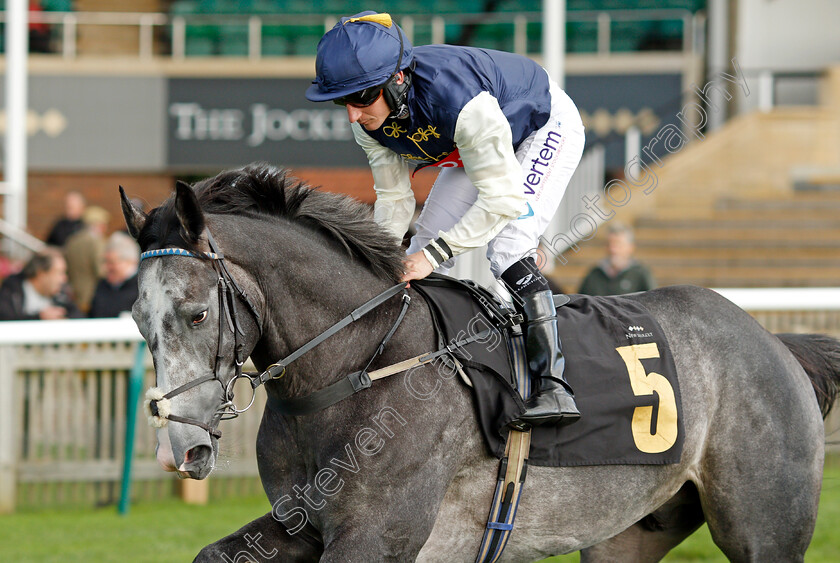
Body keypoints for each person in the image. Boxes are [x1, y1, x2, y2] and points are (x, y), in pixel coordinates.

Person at [305, 12, 586, 428]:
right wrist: (378, 261)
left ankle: (553, 384)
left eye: (362, 97)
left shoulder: (461, 102)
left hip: (541, 126)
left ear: (397, 79)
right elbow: (395, 200)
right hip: (474, 143)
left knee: (507, 248)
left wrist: (432, 257)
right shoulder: (368, 121)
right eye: (341, 100)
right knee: (414, 258)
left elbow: (502, 200)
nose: (352, 115)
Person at [0, 248, 82, 321]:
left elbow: (79, 317)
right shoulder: (11, 290)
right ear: (41, 273)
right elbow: (6, 320)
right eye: (60, 273)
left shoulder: (61, 295)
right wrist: (39, 318)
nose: (64, 278)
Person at [578, 223, 656, 296]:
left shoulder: (641, 273)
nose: (612, 249)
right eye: (609, 244)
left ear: (630, 247)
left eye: (618, 244)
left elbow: (652, 302)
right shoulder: (594, 274)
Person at [64, 206, 110, 313]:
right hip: (92, 294)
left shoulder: (72, 240)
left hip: (74, 293)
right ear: (98, 225)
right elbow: (100, 270)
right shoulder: (96, 242)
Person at [89, 233, 140, 318]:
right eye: (104, 262)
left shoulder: (143, 288)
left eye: (111, 263)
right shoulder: (102, 285)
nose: (106, 267)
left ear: (130, 261)